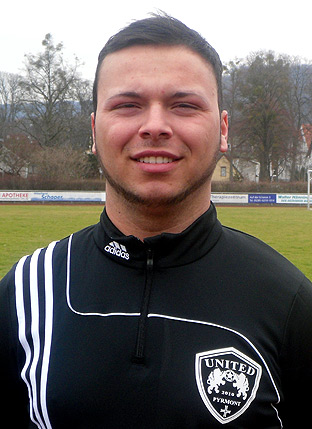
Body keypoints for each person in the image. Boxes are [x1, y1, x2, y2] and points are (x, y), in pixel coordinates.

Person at [0, 13, 312, 429]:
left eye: (184, 105)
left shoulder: (290, 301)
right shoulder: (24, 294)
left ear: (222, 129)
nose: (155, 126)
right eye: (128, 105)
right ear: (94, 130)